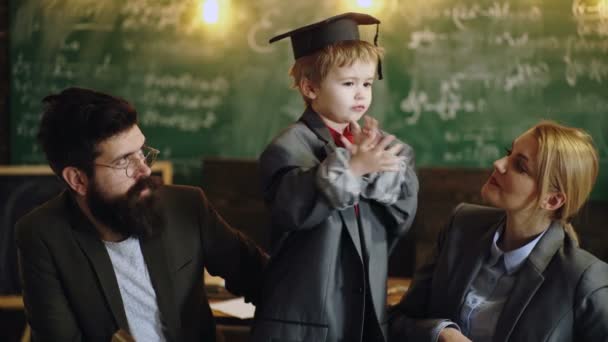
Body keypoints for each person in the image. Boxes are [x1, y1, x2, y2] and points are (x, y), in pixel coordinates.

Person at [15, 87, 268, 342]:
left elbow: (263, 279)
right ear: (78, 179)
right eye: (124, 160)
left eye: (141, 151)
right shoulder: (43, 235)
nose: (144, 170)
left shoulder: (186, 206)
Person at [250, 13, 419, 342]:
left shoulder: (378, 145)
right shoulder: (288, 147)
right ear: (310, 87)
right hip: (303, 319)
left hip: (364, 311)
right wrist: (353, 168)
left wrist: (376, 169)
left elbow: (401, 216)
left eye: (367, 83)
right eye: (348, 83)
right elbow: (292, 209)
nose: (361, 94)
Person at [389, 121, 608, 341]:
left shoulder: (585, 280)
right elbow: (398, 320)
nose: (499, 164)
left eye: (520, 166)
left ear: (552, 200)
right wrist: (440, 333)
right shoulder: (461, 226)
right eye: (509, 153)